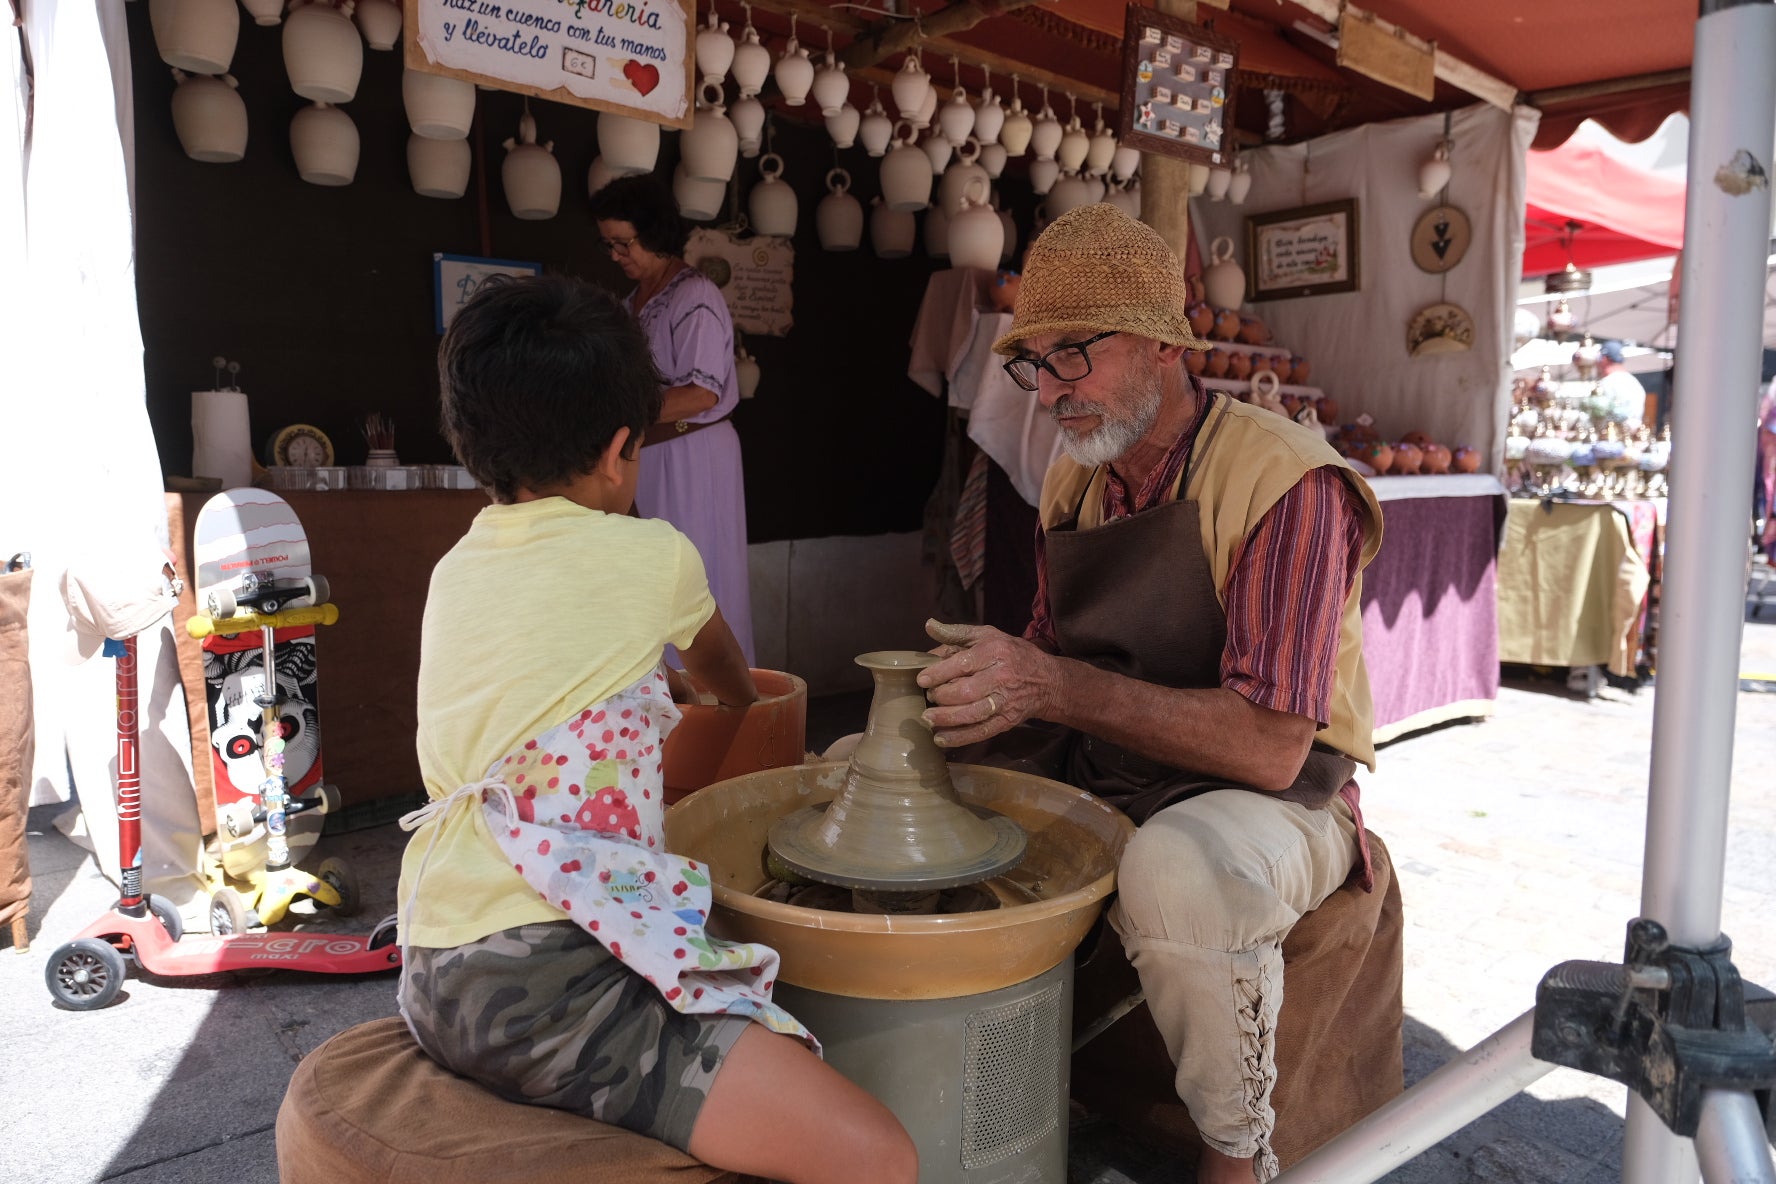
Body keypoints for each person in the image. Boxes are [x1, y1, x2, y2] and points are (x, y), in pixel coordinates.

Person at [395, 275, 916, 1184]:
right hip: (546, 981)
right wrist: (711, 702)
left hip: (432, 957)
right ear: (619, 450)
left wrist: (637, 685)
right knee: (882, 1158)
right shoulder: (653, 553)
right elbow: (733, 684)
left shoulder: (452, 569)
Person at [916, 204, 1385, 1184]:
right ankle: (969, 1087)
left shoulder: (1285, 482)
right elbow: (1051, 656)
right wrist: (976, 694)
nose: (1050, 391)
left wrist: (1053, 684)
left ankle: (1234, 1154)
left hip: (1282, 802)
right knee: (898, 782)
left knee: (1176, 867)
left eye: (1073, 355)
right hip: (1122, 768)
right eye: (1032, 363)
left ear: (1164, 343)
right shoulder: (1076, 482)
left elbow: (1270, 746)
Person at [590, 175, 755, 665]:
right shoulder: (632, 304)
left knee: (696, 571)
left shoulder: (695, 296)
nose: (616, 255)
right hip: (652, 453)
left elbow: (702, 392)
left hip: (693, 451)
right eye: (608, 245)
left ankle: (718, 689)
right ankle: (664, 692)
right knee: (655, 575)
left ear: (654, 233)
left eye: (624, 243)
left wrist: (621, 412)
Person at [1595, 339, 1648, 428]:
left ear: (1604, 359)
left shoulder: (1606, 383)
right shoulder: (1634, 383)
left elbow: (1596, 416)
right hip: (1632, 433)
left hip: (1610, 433)